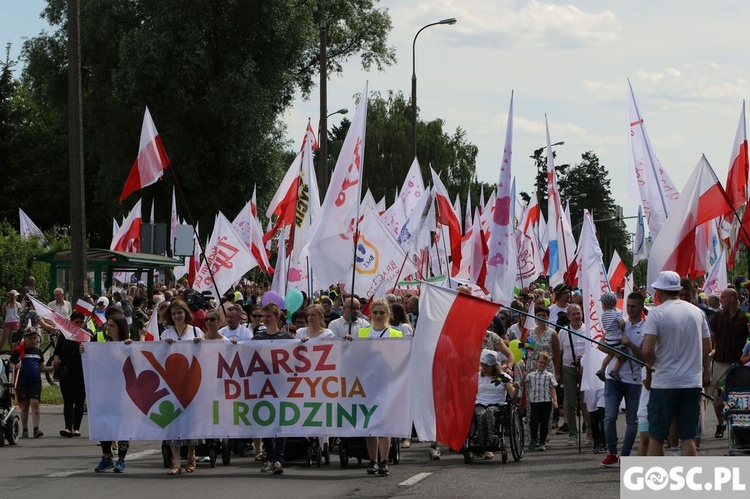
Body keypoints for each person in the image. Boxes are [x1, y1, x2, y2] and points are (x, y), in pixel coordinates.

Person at [642, 271, 711, 457]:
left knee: (657, 435)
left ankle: (655, 480)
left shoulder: (656, 313)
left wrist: (652, 365)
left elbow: (647, 349)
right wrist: (706, 372)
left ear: (659, 291)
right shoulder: (697, 312)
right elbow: (707, 346)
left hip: (665, 381)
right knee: (687, 436)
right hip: (691, 381)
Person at [357, 298, 403, 476]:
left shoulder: (396, 334)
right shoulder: (362, 333)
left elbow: (402, 358)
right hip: (367, 384)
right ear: (370, 314)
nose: (378, 315)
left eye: (382, 312)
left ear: (388, 314)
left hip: (388, 383)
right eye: (375, 312)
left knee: (385, 424)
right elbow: (355, 355)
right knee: (370, 425)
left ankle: (384, 461)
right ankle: (372, 460)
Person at [600, 292, 646, 468]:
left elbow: (644, 359)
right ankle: (612, 452)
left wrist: (630, 345)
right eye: (628, 305)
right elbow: (601, 344)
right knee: (609, 417)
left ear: (641, 307)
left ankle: (625, 456)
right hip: (614, 378)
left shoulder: (645, 329)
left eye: (634, 306)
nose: (630, 309)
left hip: (633, 381)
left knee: (631, 420)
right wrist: (610, 347)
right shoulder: (620, 323)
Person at [161, 299, 203, 474]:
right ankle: (176, 462)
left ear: (186, 313)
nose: (177, 316)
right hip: (171, 384)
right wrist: (165, 346)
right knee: (173, 423)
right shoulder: (166, 333)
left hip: (191, 383)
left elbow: (205, 353)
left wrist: (199, 343)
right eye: (174, 313)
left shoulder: (195, 331)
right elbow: (158, 356)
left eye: (180, 312)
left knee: (190, 422)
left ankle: (191, 457)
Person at [87, 315, 133, 472]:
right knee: (104, 422)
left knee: (121, 424)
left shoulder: (128, 345)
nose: (109, 328)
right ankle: (106, 457)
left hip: (123, 391)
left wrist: (129, 348)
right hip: (104, 391)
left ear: (120, 327)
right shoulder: (102, 345)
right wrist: (85, 352)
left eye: (112, 326)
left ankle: (121, 459)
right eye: (108, 325)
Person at [253, 303, 294, 474]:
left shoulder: (288, 338)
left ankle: (278, 458)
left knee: (280, 422)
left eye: (268, 316)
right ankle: (269, 457)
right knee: (265, 421)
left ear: (277, 318)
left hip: (281, 385)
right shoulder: (256, 339)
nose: (264, 319)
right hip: (262, 385)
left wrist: (305, 343)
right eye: (263, 316)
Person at [709, 288, 749, 438]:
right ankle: (721, 423)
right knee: (716, 395)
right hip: (720, 361)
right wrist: (710, 353)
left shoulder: (744, 317)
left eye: (723, 297)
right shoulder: (718, 316)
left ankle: (738, 426)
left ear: (732, 298)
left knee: (737, 395)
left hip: (738, 364)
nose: (721, 299)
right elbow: (712, 336)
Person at [10, 323, 53, 439]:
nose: (33, 340)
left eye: (35, 338)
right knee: (24, 406)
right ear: (24, 338)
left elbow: (42, 368)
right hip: (22, 382)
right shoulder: (18, 351)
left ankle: (36, 429)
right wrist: (16, 366)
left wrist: (54, 367)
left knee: (35, 403)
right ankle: (24, 429)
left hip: (35, 381)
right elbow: (10, 365)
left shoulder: (38, 352)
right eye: (30, 338)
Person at [52, 310, 88, 438]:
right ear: (71, 322)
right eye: (76, 322)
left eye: (80, 322)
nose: (78, 324)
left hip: (82, 372)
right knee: (68, 400)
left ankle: (76, 428)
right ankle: (68, 427)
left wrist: (85, 349)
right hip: (67, 372)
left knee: (79, 400)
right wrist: (56, 357)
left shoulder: (87, 335)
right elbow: (57, 350)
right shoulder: (65, 334)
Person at [475, 349, 516, 459]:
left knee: (490, 411)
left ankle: (493, 438)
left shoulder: (503, 377)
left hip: (497, 404)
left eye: (487, 366)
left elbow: (512, 394)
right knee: (480, 414)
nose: (485, 368)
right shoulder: (478, 376)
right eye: (483, 365)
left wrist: (515, 387)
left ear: (494, 365)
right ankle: (483, 443)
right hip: (480, 403)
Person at [555, 303, 587, 446]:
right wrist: (558, 372)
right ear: (568, 316)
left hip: (586, 369)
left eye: (578, 313)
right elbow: (559, 353)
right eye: (573, 314)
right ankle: (573, 434)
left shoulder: (588, 330)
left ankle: (591, 430)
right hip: (568, 368)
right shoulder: (563, 332)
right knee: (571, 402)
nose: (576, 316)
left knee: (586, 401)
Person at [525, 351, 558, 451]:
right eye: (540, 362)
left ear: (547, 365)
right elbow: (524, 384)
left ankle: (542, 442)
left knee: (545, 423)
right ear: (536, 362)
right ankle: (534, 438)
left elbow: (552, 388)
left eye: (544, 363)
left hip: (546, 402)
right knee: (533, 422)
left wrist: (555, 400)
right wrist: (522, 377)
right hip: (534, 402)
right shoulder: (531, 375)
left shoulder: (549, 376)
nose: (542, 365)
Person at [596, 292, 627, 382]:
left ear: (604, 304)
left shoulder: (604, 315)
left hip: (608, 339)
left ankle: (602, 370)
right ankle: (614, 371)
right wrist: (621, 328)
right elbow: (622, 323)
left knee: (610, 355)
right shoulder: (616, 314)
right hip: (616, 340)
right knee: (623, 356)